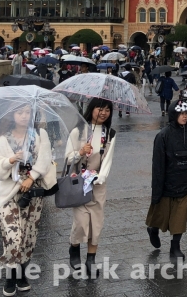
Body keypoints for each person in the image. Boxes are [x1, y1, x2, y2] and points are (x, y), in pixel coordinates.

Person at [0, 104, 52, 295]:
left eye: (27, 112)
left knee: (28, 237)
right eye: (20, 112)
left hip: (32, 194)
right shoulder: (3, 140)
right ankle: (10, 276)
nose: (24, 116)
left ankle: (22, 274)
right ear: (12, 115)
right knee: (13, 236)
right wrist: (9, 160)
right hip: (9, 193)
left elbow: (45, 159)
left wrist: (31, 177)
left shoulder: (40, 135)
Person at [66, 98, 117, 275]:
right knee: (81, 222)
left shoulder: (109, 133)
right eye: (99, 109)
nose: (103, 113)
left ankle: (91, 259)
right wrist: (80, 152)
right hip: (79, 183)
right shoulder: (78, 131)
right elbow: (67, 158)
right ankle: (74, 246)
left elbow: (108, 160)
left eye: (107, 110)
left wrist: (100, 178)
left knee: (96, 223)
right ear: (91, 109)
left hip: (97, 185)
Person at [146, 101, 187, 260]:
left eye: (186, 114)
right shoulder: (163, 135)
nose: (184, 116)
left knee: (180, 216)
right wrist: (157, 189)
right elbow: (158, 165)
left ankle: (175, 246)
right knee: (160, 214)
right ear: (173, 115)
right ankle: (153, 229)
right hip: (166, 183)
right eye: (181, 114)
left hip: (184, 184)